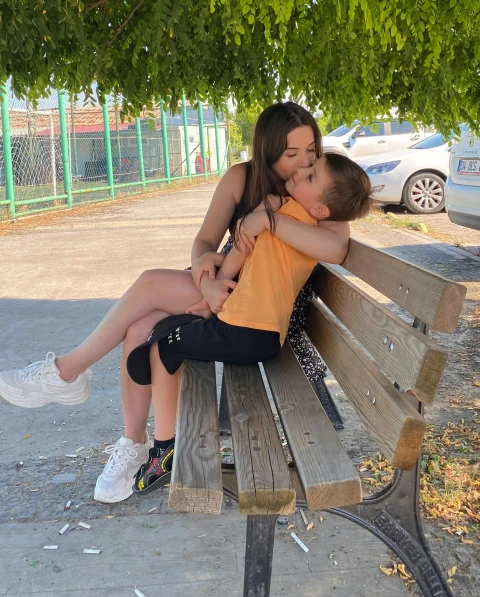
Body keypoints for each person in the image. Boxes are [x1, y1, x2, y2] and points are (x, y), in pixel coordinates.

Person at [0, 103, 349, 503]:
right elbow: (204, 242)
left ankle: (66, 372)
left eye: (311, 150)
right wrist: (205, 277)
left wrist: (267, 222)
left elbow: (338, 244)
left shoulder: (322, 184)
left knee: (149, 284)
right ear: (268, 151)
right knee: (139, 326)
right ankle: (134, 445)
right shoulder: (243, 178)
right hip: (228, 288)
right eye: (292, 154)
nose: (305, 161)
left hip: (268, 304)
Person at [128, 152, 372, 493]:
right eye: (304, 164)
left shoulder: (284, 214)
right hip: (257, 333)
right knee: (165, 338)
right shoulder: (303, 222)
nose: (302, 169)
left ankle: (164, 451)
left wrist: (214, 297)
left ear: (321, 209)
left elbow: (241, 251)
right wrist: (212, 299)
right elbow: (244, 250)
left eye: (312, 174)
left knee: (161, 347)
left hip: (243, 330)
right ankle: (164, 447)